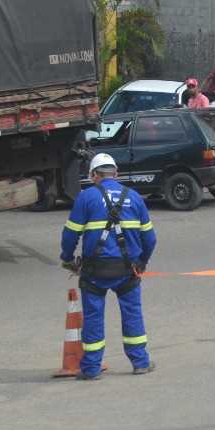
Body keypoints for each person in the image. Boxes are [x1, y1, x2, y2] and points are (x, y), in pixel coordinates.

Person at [60, 153, 156, 380]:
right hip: (127, 270)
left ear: (93, 175)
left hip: (95, 272)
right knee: (132, 314)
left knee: (93, 318)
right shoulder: (134, 197)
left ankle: (91, 369)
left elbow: (70, 234)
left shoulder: (86, 198)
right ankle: (140, 363)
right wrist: (142, 262)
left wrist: (68, 258)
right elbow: (150, 239)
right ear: (116, 173)